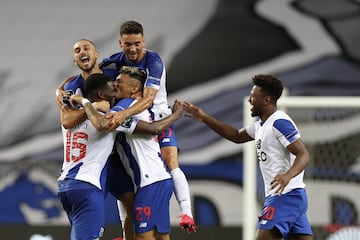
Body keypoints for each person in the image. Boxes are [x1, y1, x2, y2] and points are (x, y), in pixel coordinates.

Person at [183, 74, 313, 240]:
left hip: (285, 196)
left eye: (253, 96)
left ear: (266, 100)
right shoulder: (260, 125)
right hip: (289, 197)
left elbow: (303, 154)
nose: (250, 100)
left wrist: (287, 176)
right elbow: (236, 135)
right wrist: (205, 118)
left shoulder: (279, 122)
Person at [100, 20, 196, 232]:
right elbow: (93, 77)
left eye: (137, 43)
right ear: (120, 43)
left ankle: (187, 212)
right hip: (135, 120)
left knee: (171, 162)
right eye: (128, 44)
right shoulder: (115, 62)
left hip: (158, 117)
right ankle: (128, 232)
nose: (133, 49)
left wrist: (122, 114)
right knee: (128, 171)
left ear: (143, 41)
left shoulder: (154, 61)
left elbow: (149, 99)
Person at [70, 70, 183, 240]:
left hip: (149, 181)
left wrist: (87, 103)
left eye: (119, 82)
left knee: (143, 237)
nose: (115, 85)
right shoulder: (136, 108)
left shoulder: (127, 105)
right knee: (161, 236)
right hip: (159, 178)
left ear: (134, 88)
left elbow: (104, 123)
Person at [55, 39, 134, 240]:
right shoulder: (101, 114)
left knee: (131, 202)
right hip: (87, 179)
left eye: (86, 47)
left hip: (69, 182)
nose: (116, 90)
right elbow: (78, 121)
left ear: (97, 54)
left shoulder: (110, 77)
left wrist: (81, 101)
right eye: (77, 50)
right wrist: (94, 106)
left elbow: (67, 118)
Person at [57, 74, 118, 240]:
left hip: (66, 186)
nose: (116, 94)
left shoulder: (70, 116)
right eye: (113, 90)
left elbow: (59, 93)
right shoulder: (107, 117)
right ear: (101, 95)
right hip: (86, 187)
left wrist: (71, 84)